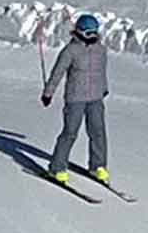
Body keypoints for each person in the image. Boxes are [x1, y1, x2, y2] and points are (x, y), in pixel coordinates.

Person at [42, 12, 110, 186]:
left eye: (95, 33)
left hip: (95, 98)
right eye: (88, 33)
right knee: (70, 133)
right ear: (79, 32)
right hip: (75, 99)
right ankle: (57, 168)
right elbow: (57, 73)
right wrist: (48, 93)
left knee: (98, 132)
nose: (92, 37)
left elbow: (101, 72)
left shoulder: (100, 50)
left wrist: (104, 88)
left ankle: (98, 166)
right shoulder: (70, 51)